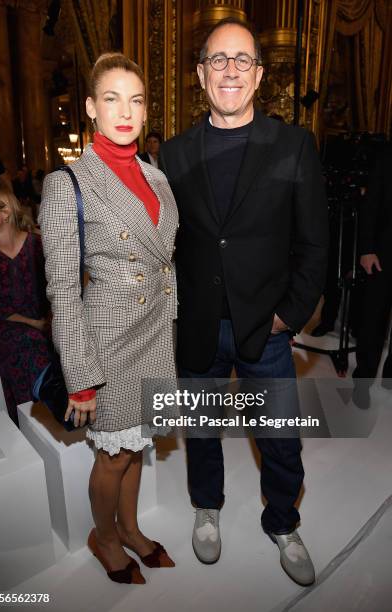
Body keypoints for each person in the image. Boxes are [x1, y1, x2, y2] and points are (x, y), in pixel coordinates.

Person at [160, 18, 328, 586]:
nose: (229, 69)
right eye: (217, 59)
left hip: (268, 327)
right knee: (202, 432)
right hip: (200, 327)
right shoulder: (174, 154)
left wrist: (290, 313)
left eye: (242, 60)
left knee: (280, 439)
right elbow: (167, 247)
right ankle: (207, 507)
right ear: (200, 74)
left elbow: (313, 244)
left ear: (258, 75)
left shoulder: (294, 144)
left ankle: (283, 521)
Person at [39, 52, 178, 585]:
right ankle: (105, 536)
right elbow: (62, 290)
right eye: (112, 99)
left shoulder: (156, 176)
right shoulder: (66, 184)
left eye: (136, 100)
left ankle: (132, 527)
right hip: (110, 344)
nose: (126, 111)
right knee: (113, 457)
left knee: (138, 445)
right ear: (92, 109)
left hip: (157, 335)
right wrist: (81, 376)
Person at [0, 185, 50, 426]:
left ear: (5, 212)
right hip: (2, 328)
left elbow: (59, 291)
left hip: (45, 323)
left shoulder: (38, 245)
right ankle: (38, 415)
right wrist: (35, 324)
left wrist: (50, 322)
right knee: (26, 343)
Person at [353, 144, 392, 406]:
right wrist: (366, 250)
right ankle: (362, 382)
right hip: (383, 254)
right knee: (373, 321)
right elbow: (370, 205)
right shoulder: (387, 154)